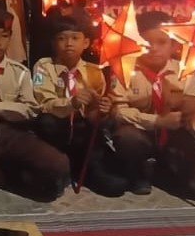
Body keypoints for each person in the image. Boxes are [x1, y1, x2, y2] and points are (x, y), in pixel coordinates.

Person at [110, 11, 195, 199]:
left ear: (173, 45)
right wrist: (158, 121)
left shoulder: (185, 70)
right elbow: (118, 112)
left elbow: (194, 111)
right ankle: (137, 170)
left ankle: (163, 171)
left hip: (175, 135)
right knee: (128, 137)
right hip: (140, 132)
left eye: (161, 42)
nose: (153, 48)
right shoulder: (125, 69)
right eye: (147, 42)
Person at [0, 8, 69, 210]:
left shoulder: (19, 72)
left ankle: (0, 174)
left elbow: (31, 108)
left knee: (58, 166)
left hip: (10, 132)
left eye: (4, 36)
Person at [32, 16, 129, 196]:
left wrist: (102, 109)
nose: (69, 43)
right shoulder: (44, 66)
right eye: (62, 38)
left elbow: (93, 114)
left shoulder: (95, 72)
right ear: (53, 43)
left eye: (75, 38)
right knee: (46, 122)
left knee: (115, 186)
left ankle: (86, 168)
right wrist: (72, 103)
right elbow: (43, 103)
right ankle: (60, 166)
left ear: (86, 43)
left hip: (83, 129)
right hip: (57, 128)